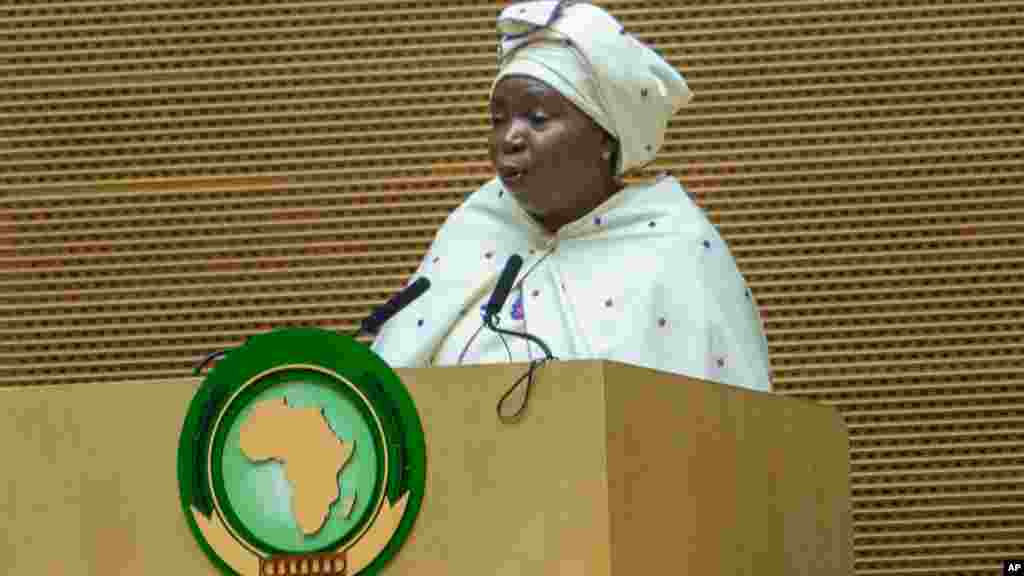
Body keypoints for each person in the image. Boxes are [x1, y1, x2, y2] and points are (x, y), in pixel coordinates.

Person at [372, 0, 771, 392]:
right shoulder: (473, 230)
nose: (510, 137)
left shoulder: (676, 249)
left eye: (538, 118)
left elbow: (731, 425)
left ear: (603, 136)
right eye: (498, 119)